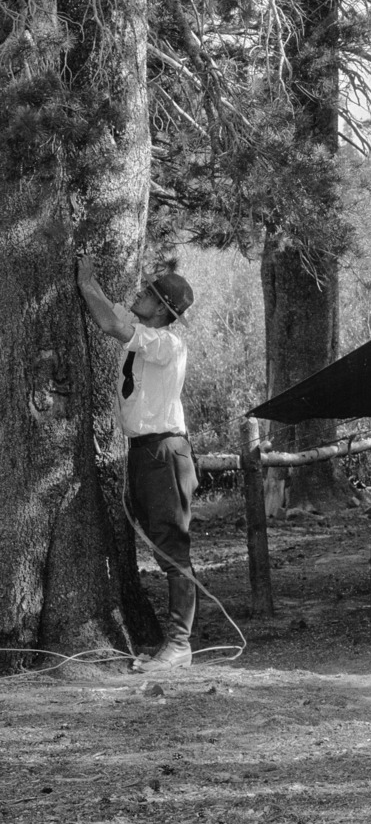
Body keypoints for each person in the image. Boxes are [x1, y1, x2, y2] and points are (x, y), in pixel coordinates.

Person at [76, 257, 199, 671]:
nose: (139, 294)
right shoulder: (146, 338)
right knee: (161, 542)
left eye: (148, 293)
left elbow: (111, 325)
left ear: (162, 310)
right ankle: (175, 641)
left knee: (172, 548)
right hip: (145, 451)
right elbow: (118, 323)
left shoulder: (166, 343)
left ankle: (180, 644)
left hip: (165, 452)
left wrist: (86, 281)